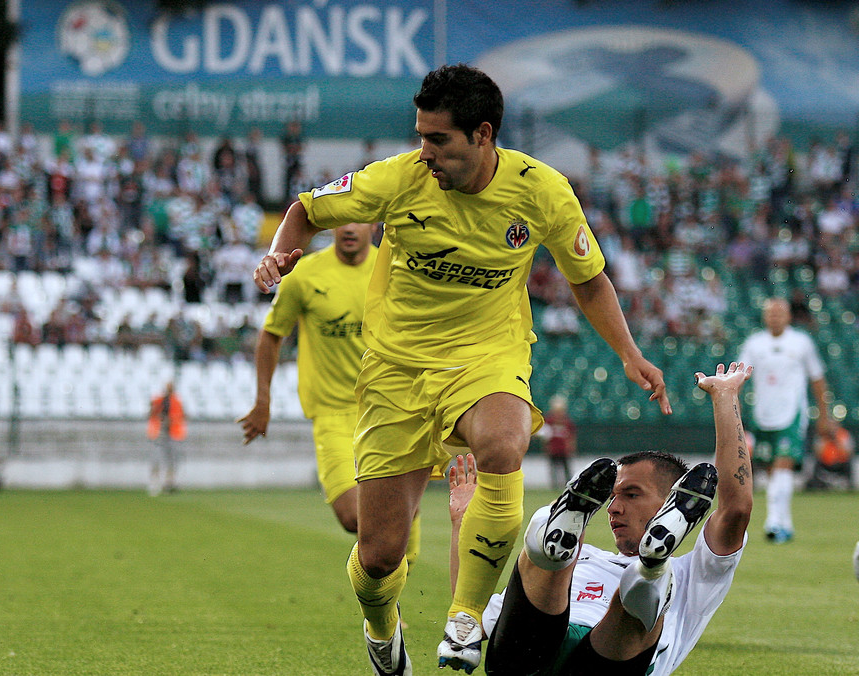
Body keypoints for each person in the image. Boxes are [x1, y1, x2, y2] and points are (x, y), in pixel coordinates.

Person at [252, 63, 670, 675]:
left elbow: (589, 279)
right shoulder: (397, 180)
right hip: (396, 369)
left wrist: (630, 353)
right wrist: (276, 256)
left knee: (505, 442)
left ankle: (467, 617)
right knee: (378, 557)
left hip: (486, 354)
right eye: (420, 136)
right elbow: (306, 210)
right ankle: (380, 625)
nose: (425, 153)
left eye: (438, 140)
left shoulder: (543, 190)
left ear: (482, 135)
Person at [445, 362, 753, 675]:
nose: (613, 508)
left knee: (634, 594)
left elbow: (735, 510)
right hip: (544, 646)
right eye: (610, 497)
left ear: (668, 501)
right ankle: (603, 559)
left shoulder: (695, 575)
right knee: (560, 562)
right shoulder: (584, 556)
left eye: (631, 495)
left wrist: (725, 396)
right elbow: (470, 620)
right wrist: (464, 525)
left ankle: (642, 569)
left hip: (596, 657)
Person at [238, 223, 420, 541]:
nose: (349, 228)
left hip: (386, 411)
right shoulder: (306, 275)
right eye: (343, 219)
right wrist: (263, 401)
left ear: (374, 224)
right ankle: (403, 530)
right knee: (355, 515)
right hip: (332, 413)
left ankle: (395, 563)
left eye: (359, 219)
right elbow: (271, 335)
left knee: (388, 531)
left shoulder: (394, 271)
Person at [737, 297, 837, 543]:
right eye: (771, 313)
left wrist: (824, 415)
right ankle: (785, 523)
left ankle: (773, 523)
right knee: (772, 470)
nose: (775, 318)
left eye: (779, 313)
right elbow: (739, 378)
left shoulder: (801, 342)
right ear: (764, 317)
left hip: (792, 413)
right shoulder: (754, 344)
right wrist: (735, 411)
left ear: (788, 316)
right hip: (763, 414)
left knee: (783, 465)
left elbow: (818, 380)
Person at [147, 381, 186, 496]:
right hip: (159, 433)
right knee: (156, 458)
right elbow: (151, 412)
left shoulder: (176, 401)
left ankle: (169, 483)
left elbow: (181, 415)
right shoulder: (159, 400)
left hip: (173, 433)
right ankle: (155, 483)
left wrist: (172, 420)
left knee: (172, 459)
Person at [541, 395, 577, 490]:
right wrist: (547, 447)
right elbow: (545, 437)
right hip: (554, 449)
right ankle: (555, 486)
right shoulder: (549, 421)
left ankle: (568, 485)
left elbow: (571, 437)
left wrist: (570, 447)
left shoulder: (567, 422)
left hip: (563, 450)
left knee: (566, 469)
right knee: (554, 469)